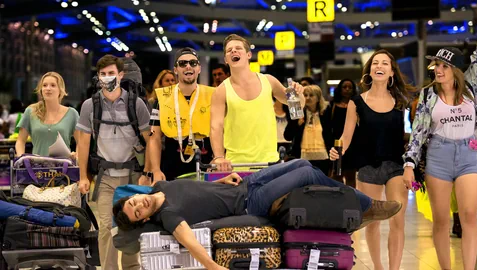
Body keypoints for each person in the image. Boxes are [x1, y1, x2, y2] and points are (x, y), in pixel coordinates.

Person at [113, 159, 403, 270]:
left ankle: (360, 207)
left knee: (303, 162)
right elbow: (189, 242)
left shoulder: (161, 186)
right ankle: (366, 206)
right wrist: (213, 267)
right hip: (251, 203)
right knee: (306, 173)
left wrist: (219, 181)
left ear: (135, 195)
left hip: (246, 183)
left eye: (133, 203)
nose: (139, 206)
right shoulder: (167, 215)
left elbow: (194, 187)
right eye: (137, 213)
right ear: (143, 220)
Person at [329, 49, 416, 270]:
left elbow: (415, 134)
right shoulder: (356, 102)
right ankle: (378, 267)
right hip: (367, 165)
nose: (379, 66)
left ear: (391, 72)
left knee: (398, 218)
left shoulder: (401, 101)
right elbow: (346, 136)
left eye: (385, 63)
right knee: (373, 220)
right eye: (375, 62)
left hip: (395, 164)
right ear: (369, 71)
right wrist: (337, 150)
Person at [403, 45, 477, 270]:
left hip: (469, 154)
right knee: (442, 220)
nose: (438, 69)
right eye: (436, 64)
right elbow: (418, 132)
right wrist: (409, 164)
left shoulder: (471, 87)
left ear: (456, 69)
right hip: (438, 156)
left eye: (444, 65)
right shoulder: (428, 94)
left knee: (468, 216)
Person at [76, 55, 151, 270]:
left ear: (121, 75)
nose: (107, 78)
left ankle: (131, 267)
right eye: (103, 74)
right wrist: (83, 176)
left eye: (111, 73)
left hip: (132, 177)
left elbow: (151, 140)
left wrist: (150, 171)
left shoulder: (136, 104)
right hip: (105, 177)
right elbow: (83, 143)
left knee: (130, 226)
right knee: (106, 228)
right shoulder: (90, 106)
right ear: (98, 77)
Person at [210, 34, 305, 171]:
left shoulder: (269, 80)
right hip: (236, 164)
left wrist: (299, 93)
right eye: (229, 50)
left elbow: (297, 106)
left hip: (270, 163)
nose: (234, 51)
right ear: (226, 59)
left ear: (248, 55)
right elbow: (216, 127)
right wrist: (218, 157)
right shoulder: (221, 91)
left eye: (238, 48)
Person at [148, 48, 214, 181]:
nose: (188, 66)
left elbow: (222, 132)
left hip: (207, 167)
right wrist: (155, 170)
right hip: (171, 169)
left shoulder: (213, 95)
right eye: (183, 63)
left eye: (193, 63)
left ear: (199, 68)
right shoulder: (162, 97)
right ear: (176, 69)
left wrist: (218, 158)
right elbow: (154, 138)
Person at [15, 72, 79, 158]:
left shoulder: (72, 114)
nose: (48, 88)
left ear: (60, 90)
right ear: (41, 90)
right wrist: (21, 160)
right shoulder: (30, 112)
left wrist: (77, 156)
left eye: (53, 85)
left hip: (64, 168)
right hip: (36, 169)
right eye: (44, 85)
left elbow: (81, 143)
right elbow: (20, 141)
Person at [284, 85, 331, 174]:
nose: (308, 98)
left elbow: (331, 135)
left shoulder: (326, 113)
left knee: (322, 186)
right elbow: (287, 136)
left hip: (323, 158)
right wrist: (296, 124)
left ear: (318, 98)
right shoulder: (298, 113)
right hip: (302, 158)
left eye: (311, 95)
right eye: (305, 95)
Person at [323, 79, 359, 187]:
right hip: (336, 144)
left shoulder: (357, 106)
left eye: (350, 87)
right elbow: (327, 127)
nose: (347, 90)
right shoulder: (332, 106)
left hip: (353, 146)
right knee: (336, 175)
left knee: (351, 176)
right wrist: (329, 145)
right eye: (344, 87)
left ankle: (351, 198)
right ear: (340, 89)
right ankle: (339, 199)